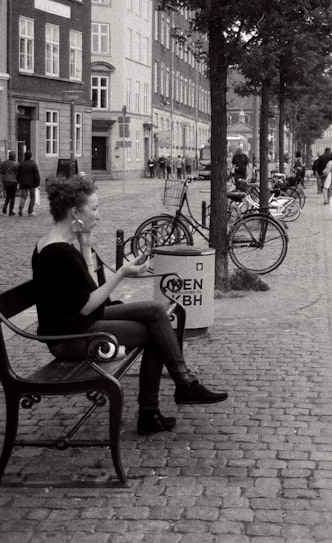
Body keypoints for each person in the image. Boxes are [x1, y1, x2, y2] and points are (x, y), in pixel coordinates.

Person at [33, 175, 227, 435]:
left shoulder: (54, 244)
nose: (98, 216)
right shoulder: (58, 252)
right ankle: (155, 407)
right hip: (70, 336)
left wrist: (86, 245)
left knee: (155, 311)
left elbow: (86, 291)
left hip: (80, 322)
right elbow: (87, 305)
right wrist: (122, 273)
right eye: (94, 209)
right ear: (74, 213)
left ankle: (182, 385)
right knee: (155, 334)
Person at [16, 151, 41, 217]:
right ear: (31, 156)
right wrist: (38, 183)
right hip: (32, 183)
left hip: (23, 183)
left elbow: (18, 174)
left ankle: (20, 209)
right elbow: (36, 175)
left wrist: (19, 181)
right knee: (32, 197)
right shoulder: (33, 164)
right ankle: (30, 211)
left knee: (23, 197)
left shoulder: (21, 164)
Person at [0, 151, 19, 215]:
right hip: (13, 181)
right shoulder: (16, 164)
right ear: (13, 157)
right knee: (12, 196)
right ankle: (11, 210)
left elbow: (1, 172)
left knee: (8, 195)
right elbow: (18, 173)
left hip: (5, 181)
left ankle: (5, 206)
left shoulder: (3, 163)